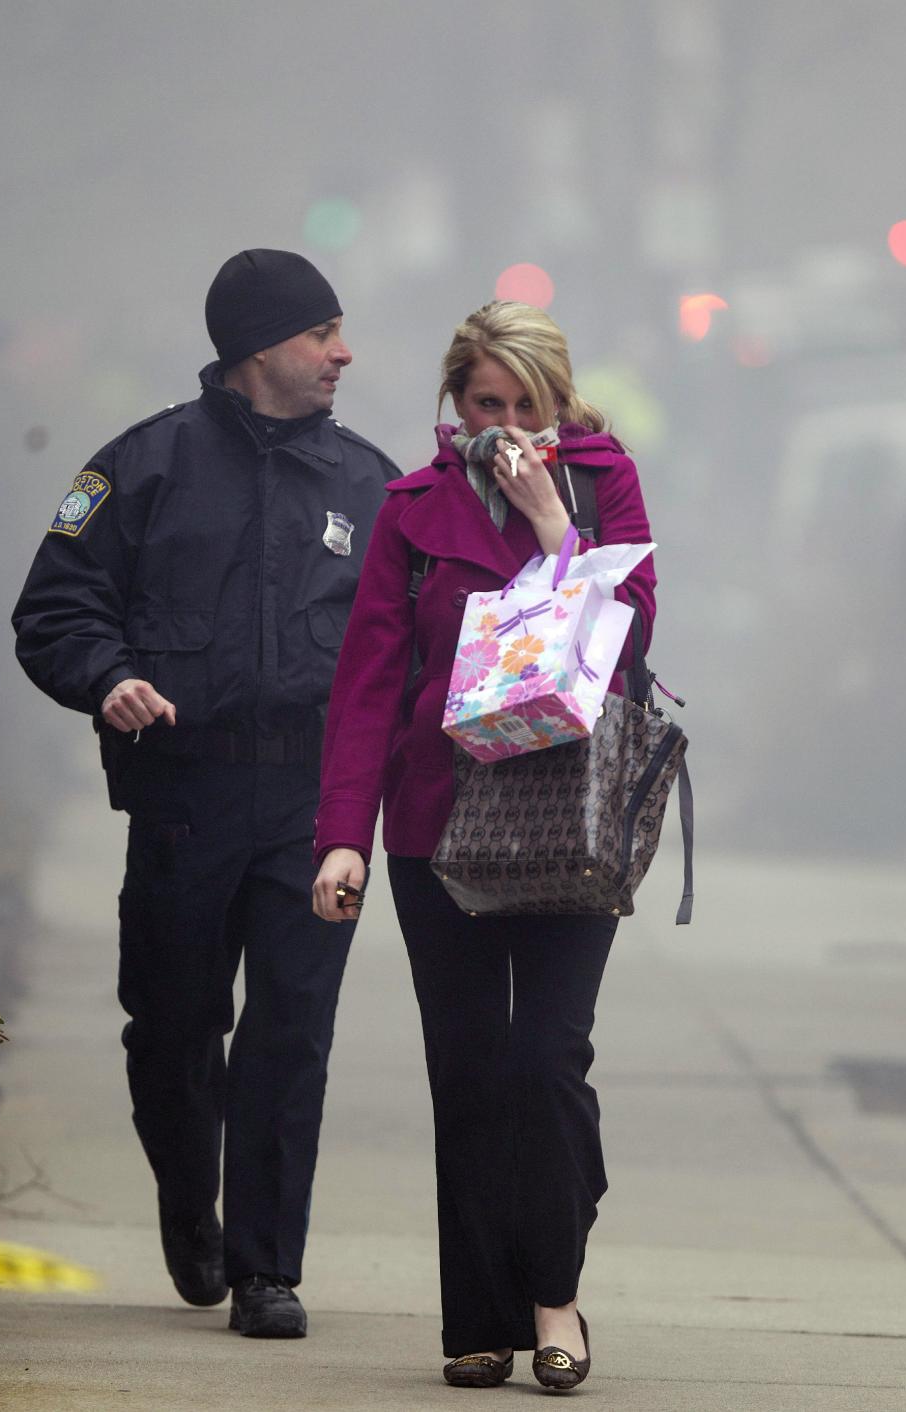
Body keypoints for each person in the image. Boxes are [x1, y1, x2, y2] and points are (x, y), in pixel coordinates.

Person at [13, 249, 398, 1339]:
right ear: (259, 349)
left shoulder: (372, 486)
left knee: (291, 1031)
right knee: (175, 1027)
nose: (343, 351)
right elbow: (53, 612)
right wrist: (110, 677)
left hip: (316, 811)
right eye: (323, 332)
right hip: (184, 802)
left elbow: (422, 640)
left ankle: (266, 1265)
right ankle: (193, 1205)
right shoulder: (139, 470)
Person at [312, 300, 657, 1389]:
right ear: (454, 403)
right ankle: (480, 1317)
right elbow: (368, 683)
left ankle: (554, 1292)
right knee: (466, 1069)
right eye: (484, 403)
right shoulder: (409, 508)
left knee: (544, 1057)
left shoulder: (603, 484)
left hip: (566, 820)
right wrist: (342, 840)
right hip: (436, 822)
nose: (503, 424)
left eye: (525, 404)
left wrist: (554, 518)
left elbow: (633, 632)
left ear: (559, 403)